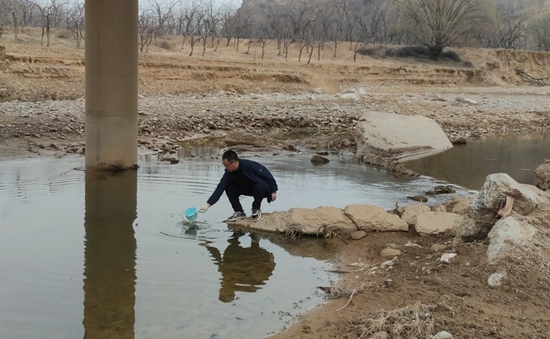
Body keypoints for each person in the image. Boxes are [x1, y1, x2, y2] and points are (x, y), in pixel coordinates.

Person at [199, 150, 278, 222]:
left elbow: (268, 175)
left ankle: (256, 209)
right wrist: (208, 204)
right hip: (247, 188)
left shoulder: (250, 165)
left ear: (234, 163)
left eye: (227, 165)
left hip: (261, 189)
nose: (226, 168)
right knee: (229, 187)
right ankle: (239, 212)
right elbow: (220, 187)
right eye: (224, 165)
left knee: (259, 186)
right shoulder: (228, 173)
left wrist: (273, 191)